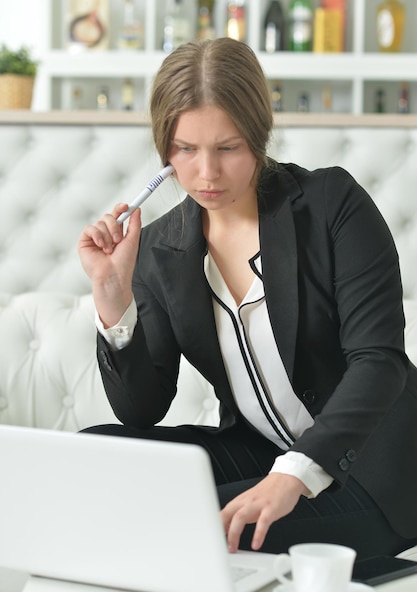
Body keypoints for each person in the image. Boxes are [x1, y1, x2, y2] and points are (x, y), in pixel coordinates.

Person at [78, 37, 417, 559]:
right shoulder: (159, 249)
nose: (206, 173)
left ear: (258, 137)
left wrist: (296, 475)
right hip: (259, 453)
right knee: (92, 454)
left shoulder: (331, 204)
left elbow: (379, 361)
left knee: (201, 527)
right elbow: (142, 410)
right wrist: (112, 294)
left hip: (377, 470)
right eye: (186, 150)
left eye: (228, 147)